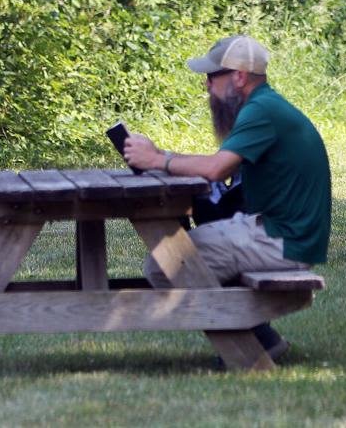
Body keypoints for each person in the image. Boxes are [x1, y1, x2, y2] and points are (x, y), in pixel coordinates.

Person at [123, 34, 332, 361]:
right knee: (175, 254)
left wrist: (155, 161)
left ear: (238, 76)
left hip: (281, 242)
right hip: (278, 232)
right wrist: (162, 155)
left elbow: (217, 169)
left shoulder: (261, 110)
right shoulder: (265, 106)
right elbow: (218, 162)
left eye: (212, 76)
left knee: (165, 264)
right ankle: (261, 340)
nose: (206, 85)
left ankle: (252, 344)